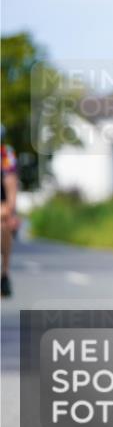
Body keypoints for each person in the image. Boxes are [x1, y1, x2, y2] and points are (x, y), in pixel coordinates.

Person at [1, 125, 19, 298]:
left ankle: (4, 274)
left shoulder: (6, 154)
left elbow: (10, 183)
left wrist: (10, 207)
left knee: (4, 225)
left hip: (2, 200)